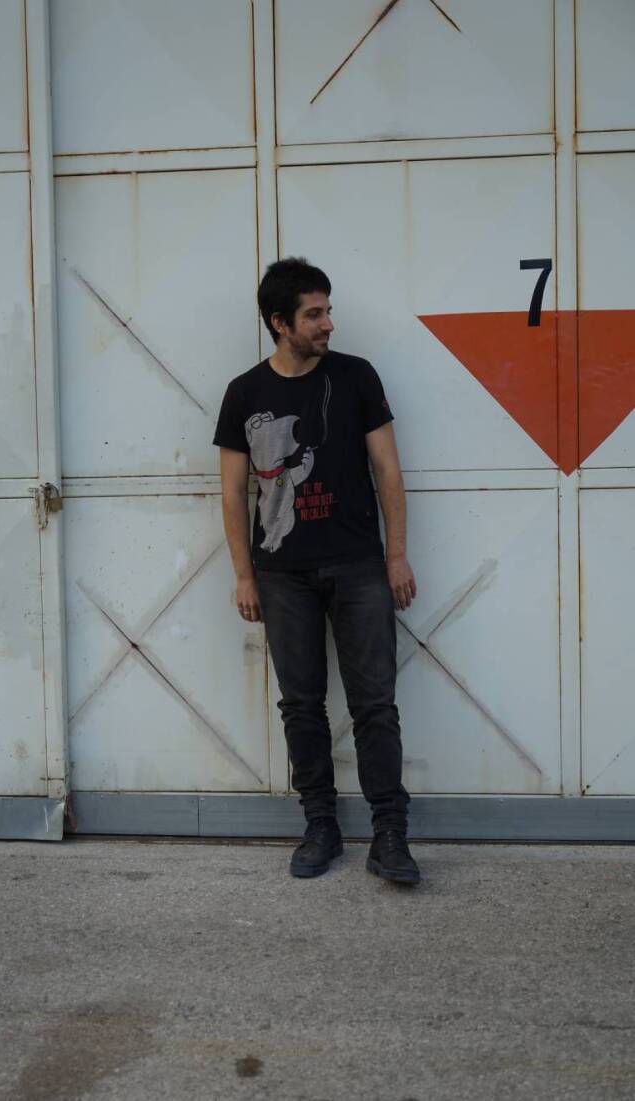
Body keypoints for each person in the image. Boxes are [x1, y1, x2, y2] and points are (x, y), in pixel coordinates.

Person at [212, 257, 420, 885]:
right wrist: (244, 574)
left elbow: (387, 470)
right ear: (280, 323)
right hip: (282, 574)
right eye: (314, 314)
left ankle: (390, 835)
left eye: (328, 310)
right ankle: (320, 827)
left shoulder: (356, 377)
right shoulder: (245, 393)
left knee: (375, 704)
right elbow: (233, 493)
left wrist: (395, 555)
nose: (328, 323)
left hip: (358, 565)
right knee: (301, 705)